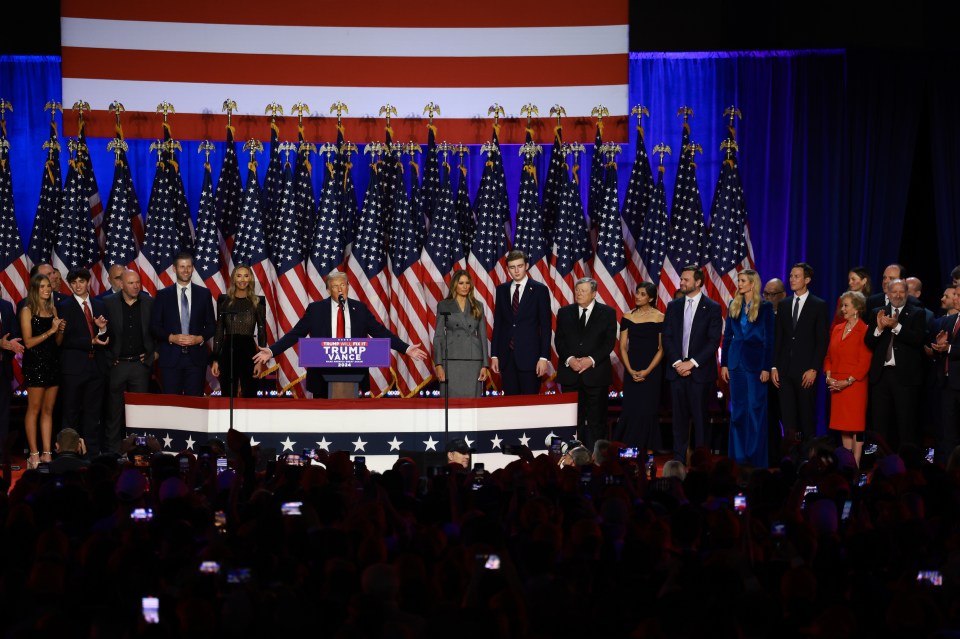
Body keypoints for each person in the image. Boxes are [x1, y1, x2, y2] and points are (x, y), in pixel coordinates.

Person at [253, 270, 427, 397]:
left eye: (343, 285)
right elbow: (295, 333)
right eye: (335, 286)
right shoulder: (316, 310)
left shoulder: (359, 309)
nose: (340, 289)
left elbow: (380, 332)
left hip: (353, 372)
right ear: (328, 290)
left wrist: (406, 348)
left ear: (348, 287)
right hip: (322, 372)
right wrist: (272, 350)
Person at [662, 265, 723, 462]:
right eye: (681, 279)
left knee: (700, 419)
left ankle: (701, 461)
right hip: (677, 371)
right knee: (678, 420)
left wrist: (692, 363)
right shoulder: (673, 306)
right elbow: (668, 337)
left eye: (686, 280)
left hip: (700, 373)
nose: (681, 282)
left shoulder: (712, 307)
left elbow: (713, 341)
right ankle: (678, 460)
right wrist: (678, 362)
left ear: (698, 282)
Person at [720, 269, 774, 467]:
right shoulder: (733, 306)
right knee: (738, 411)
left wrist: (766, 367)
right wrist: (724, 363)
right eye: (739, 280)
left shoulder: (765, 307)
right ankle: (738, 458)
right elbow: (727, 338)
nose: (739, 284)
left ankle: (756, 458)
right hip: (736, 365)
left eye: (743, 281)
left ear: (753, 284)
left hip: (756, 365)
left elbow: (769, 340)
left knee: (755, 410)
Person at [555, 277, 617, 449]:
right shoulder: (564, 312)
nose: (579, 293)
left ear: (594, 293)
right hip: (570, 375)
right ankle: (575, 455)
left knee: (597, 420)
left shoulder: (608, 313)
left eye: (583, 290)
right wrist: (570, 360)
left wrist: (591, 360)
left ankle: (597, 457)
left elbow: (608, 343)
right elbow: (559, 341)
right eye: (577, 290)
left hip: (596, 376)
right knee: (574, 420)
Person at [864, 278, 926, 450]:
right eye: (894, 292)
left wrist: (897, 326)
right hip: (881, 376)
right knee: (880, 425)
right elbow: (868, 342)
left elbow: (918, 340)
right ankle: (881, 466)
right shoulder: (878, 312)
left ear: (907, 293)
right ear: (887, 293)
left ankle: (906, 467)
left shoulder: (916, 313)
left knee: (906, 425)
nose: (898, 295)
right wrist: (878, 328)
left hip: (905, 377)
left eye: (901, 291)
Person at [772, 262, 829, 443]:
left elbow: (822, 341)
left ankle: (807, 457)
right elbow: (778, 339)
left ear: (807, 279)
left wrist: (814, 368)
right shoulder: (784, 305)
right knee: (788, 418)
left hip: (806, 371)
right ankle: (790, 458)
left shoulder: (818, 305)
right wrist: (774, 366)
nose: (792, 279)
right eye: (790, 276)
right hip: (784, 370)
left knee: (806, 416)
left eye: (796, 276)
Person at [57, 268, 110, 456]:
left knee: (93, 413)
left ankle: (92, 454)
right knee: (70, 412)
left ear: (88, 282)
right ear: (70, 285)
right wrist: (90, 341)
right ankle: (68, 453)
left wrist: (102, 331)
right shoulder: (64, 306)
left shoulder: (100, 304)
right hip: (73, 368)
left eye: (81, 281)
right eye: (74, 282)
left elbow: (106, 335)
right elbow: (64, 340)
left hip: (96, 368)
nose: (78, 285)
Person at [102, 269, 155, 454]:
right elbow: (101, 332)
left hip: (139, 365)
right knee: (114, 412)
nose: (135, 286)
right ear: (121, 284)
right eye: (131, 283)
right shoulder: (107, 303)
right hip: (117, 365)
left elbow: (156, 330)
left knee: (139, 412)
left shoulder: (149, 302)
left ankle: (138, 451)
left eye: (137, 282)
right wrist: (109, 358)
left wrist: (153, 354)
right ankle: (113, 452)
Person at [151, 252, 216, 396]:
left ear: (193, 268)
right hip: (170, 358)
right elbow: (154, 326)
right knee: (172, 404)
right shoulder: (163, 295)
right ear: (174, 269)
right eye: (182, 267)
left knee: (194, 404)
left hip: (196, 359)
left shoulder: (204, 294)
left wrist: (199, 338)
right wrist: (171, 338)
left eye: (188, 267)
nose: (185, 270)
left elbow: (212, 326)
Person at [489, 250, 551, 395]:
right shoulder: (502, 290)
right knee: (511, 404)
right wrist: (495, 355)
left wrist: (543, 357)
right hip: (507, 358)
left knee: (529, 404)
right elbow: (498, 324)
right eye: (512, 267)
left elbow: (546, 326)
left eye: (520, 266)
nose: (516, 271)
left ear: (526, 266)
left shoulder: (539, 290)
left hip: (531, 358)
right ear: (508, 269)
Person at [19, 273, 64, 468]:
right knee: (34, 409)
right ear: (35, 289)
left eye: (48, 286)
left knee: (48, 410)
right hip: (35, 364)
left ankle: (47, 453)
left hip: (53, 363)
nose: (47, 289)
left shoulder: (53, 309)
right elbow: (28, 343)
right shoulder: (27, 311)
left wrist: (60, 330)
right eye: (43, 286)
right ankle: (34, 454)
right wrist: (51, 331)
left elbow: (57, 343)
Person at [614, 281, 664, 453]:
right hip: (632, 368)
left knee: (648, 409)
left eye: (642, 294)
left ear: (650, 298)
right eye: (637, 292)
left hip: (652, 370)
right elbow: (622, 347)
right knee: (631, 408)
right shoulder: (628, 316)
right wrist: (629, 370)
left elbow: (661, 349)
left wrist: (647, 371)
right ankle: (628, 449)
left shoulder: (660, 317)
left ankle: (648, 450)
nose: (637, 296)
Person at [824, 291, 872, 465]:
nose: (842, 309)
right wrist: (829, 376)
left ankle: (856, 462)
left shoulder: (864, 330)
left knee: (856, 425)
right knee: (843, 426)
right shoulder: (837, 328)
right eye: (842, 305)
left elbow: (865, 361)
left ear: (857, 308)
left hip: (855, 384)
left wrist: (848, 381)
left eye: (846, 305)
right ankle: (847, 462)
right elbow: (829, 356)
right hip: (836, 383)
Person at [211, 265, 266, 398]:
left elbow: (262, 331)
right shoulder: (224, 301)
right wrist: (215, 359)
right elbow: (219, 331)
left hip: (249, 351)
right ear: (234, 279)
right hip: (228, 351)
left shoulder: (258, 302)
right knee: (227, 395)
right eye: (239, 275)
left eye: (246, 276)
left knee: (250, 394)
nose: (242, 279)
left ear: (250, 279)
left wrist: (260, 361)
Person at [433, 269, 489, 398]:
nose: (465, 286)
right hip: (451, 359)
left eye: (467, 283)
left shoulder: (477, 306)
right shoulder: (444, 305)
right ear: (454, 285)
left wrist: (485, 365)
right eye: (461, 283)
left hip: (473, 359)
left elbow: (482, 336)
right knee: (451, 403)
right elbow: (439, 336)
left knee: (472, 403)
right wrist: (438, 364)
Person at [933, 287, 960, 463]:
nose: (955, 298)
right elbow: (943, 350)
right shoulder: (950, 321)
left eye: (958, 295)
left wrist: (949, 348)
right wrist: (939, 346)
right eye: (955, 295)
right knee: (948, 431)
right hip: (948, 384)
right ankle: (950, 469)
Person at [763, 277, 787, 464]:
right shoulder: (761, 316)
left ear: (783, 295)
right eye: (766, 294)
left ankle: (790, 456)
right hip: (763, 375)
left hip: (785, 375)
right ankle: (772, 456)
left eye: (773, 294)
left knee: (787, 417)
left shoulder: (789, 315)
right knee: (769, 418)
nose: (768, 298)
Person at [0, 297, 24, 465]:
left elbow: (15, 333)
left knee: (2, 414)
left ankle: (1, 457)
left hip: (3, 368)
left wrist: (11, 343)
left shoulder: (6, 306)